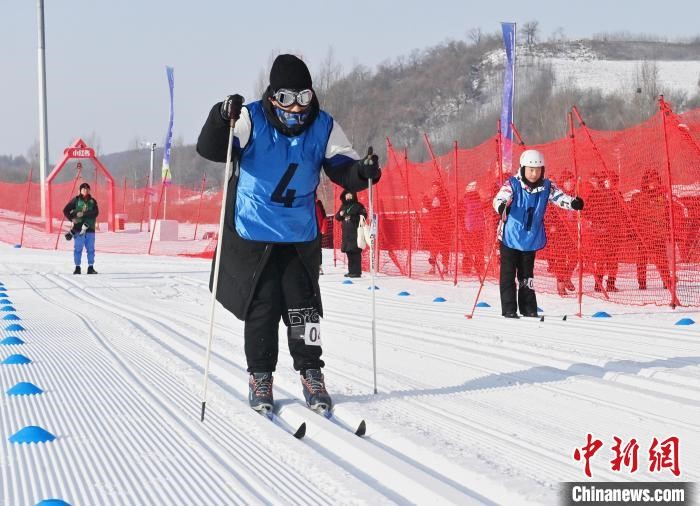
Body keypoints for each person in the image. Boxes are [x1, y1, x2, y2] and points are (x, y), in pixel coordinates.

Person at [196, 54, 381, 414]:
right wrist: (222, 116)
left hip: (298, 233)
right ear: (271, 96)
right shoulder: (252, 118)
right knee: (262, 306)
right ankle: (261, 375)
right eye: (286, 97)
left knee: (304, 307)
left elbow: (342, 166)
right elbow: (211, 148)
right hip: (255, 231)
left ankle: (311, 371)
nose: (295, 107)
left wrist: (362, 172)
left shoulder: (323, 126)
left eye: (304, 97)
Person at [493, 150, 584, 318]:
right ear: (523, 168)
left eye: (537, 170)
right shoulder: (513, 184)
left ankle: (528, 308)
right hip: (510, 237)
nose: (534, 174)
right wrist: (502, 206)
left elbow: (559, 197)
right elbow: (500, 197)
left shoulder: (546, 186)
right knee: (508, 273)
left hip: (530, 238)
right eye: (530, 170)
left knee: (527, 275)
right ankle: (509, 308)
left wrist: (573, 203)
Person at [630, 168, 671, 290]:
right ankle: (642, 282)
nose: (652, 183)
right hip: (643, 234)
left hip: (658, 234)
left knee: (662, 259)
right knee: (642, 260)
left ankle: (666, 280)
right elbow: (632, 215)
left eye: (655, 181)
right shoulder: (637, 197)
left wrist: (668, 231)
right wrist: (633, 231)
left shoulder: (662, 197)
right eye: (650, 181)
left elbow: (667, 216)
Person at [588, 171, 625, 292]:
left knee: (613, 259)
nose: (610, 184)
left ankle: (611, 283)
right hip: (600, 232)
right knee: (601, 259)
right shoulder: (595, 195)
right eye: (607, 181)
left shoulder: (617, 195)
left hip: (613, 232)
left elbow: (623, 212)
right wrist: (598, 222)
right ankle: (598, 283)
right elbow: (588, 212)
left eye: (613, 181)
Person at [545, 169, 578, 296]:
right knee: (560, 259)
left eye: (572, 181)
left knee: (575, 256)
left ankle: (567, 277)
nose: (570, 183)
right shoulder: (557, 196)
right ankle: (560, 285)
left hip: (572, 231)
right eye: (568, 181)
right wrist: (552, 225)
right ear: (563, 182)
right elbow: (549, 213)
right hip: (560, 232)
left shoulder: (574, 195)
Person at [63, 182, 99, 274]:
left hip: (90, 229)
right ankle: (77, 267)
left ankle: (90, 268)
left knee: (91, 249)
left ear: (89, 190)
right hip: (78, 229)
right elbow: (66, 210)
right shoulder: (76, 200)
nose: (85, 190)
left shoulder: (93, 201)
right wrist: (72, 219)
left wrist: (84, 214)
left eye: (87, 189)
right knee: (78, 249)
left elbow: (95, 213)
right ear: (80, 190)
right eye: (83, 189)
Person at [335, 191, 367, 278]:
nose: (348, 196)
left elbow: (364, 216)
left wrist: (352, 217)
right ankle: (351, 271)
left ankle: (357, 272)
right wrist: (340, 214)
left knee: (355, 252)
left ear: (353, 196)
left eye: (349, 194)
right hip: (346, 234)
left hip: (356, 232)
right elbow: (337, 217)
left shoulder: (358, 206)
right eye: (347, 195)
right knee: (349, 252)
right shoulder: (343, 206)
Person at [423, 180, 452, 275]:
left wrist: (426, 202)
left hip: (438, 226)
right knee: (443, 247)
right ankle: (445, 267)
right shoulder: (445, 196)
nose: (433, 189)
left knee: (434, 246)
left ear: (438, 187)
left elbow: (434, 210)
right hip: (444, 226)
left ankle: (434, 268)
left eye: (434, 187)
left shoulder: (438, 197)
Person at [458, 181, 486, 276]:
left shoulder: (464, 201)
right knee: (479, 249)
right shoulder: (479, 200)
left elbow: (459, 213)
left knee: (467, 249)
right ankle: (480, 268)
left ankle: (467, 269)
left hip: (468, 229)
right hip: (480, 228)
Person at [315, 199, 328, 274]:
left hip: (318, 230)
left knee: (318, 249)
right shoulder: (304, 201)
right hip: (308, 231)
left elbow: (324, 216)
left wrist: (323, 228)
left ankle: (319, 266)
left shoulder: (318, 203)